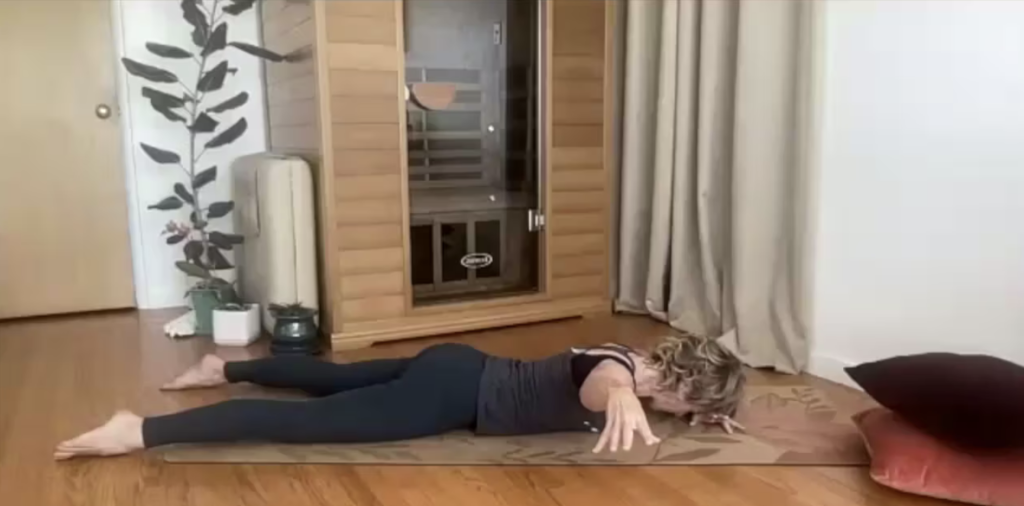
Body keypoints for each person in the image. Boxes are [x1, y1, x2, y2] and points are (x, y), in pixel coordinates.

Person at [54, 333, 746, 460]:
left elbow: (622, 367)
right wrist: (621, 395)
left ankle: (224, 369)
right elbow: (600, 372)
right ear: (681, 383)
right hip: (453, 398)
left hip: (460, 364)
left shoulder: (645, 365)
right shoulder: (621, 370)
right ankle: (139, 430)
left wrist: (700, 409)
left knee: (346, 376)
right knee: (310, 425)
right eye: (696, 406)